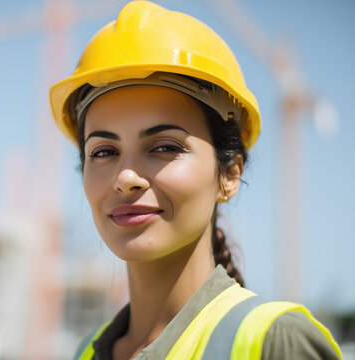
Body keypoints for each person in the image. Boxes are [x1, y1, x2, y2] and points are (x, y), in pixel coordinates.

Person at [49, 1, 343, 359]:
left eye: (164, 146)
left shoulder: (276, 343)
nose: (125, 178)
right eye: (103, 152)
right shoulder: (86, 351)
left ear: (230, 173)